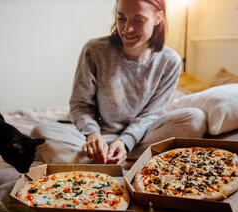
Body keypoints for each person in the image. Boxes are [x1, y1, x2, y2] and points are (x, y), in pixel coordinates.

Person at [31, 0, 207, 166]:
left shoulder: (170, 61)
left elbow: (151, 114)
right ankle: (126, 161)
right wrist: (92, 135)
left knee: (195, 119)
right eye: (121, 18)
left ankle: (101, 162)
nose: (127, 28)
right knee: (41, 132)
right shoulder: (94, 50)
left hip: (141, 137)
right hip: (98, 136)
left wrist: (125, 141)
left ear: (158, 18)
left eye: (138, 20)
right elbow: (80, 105)